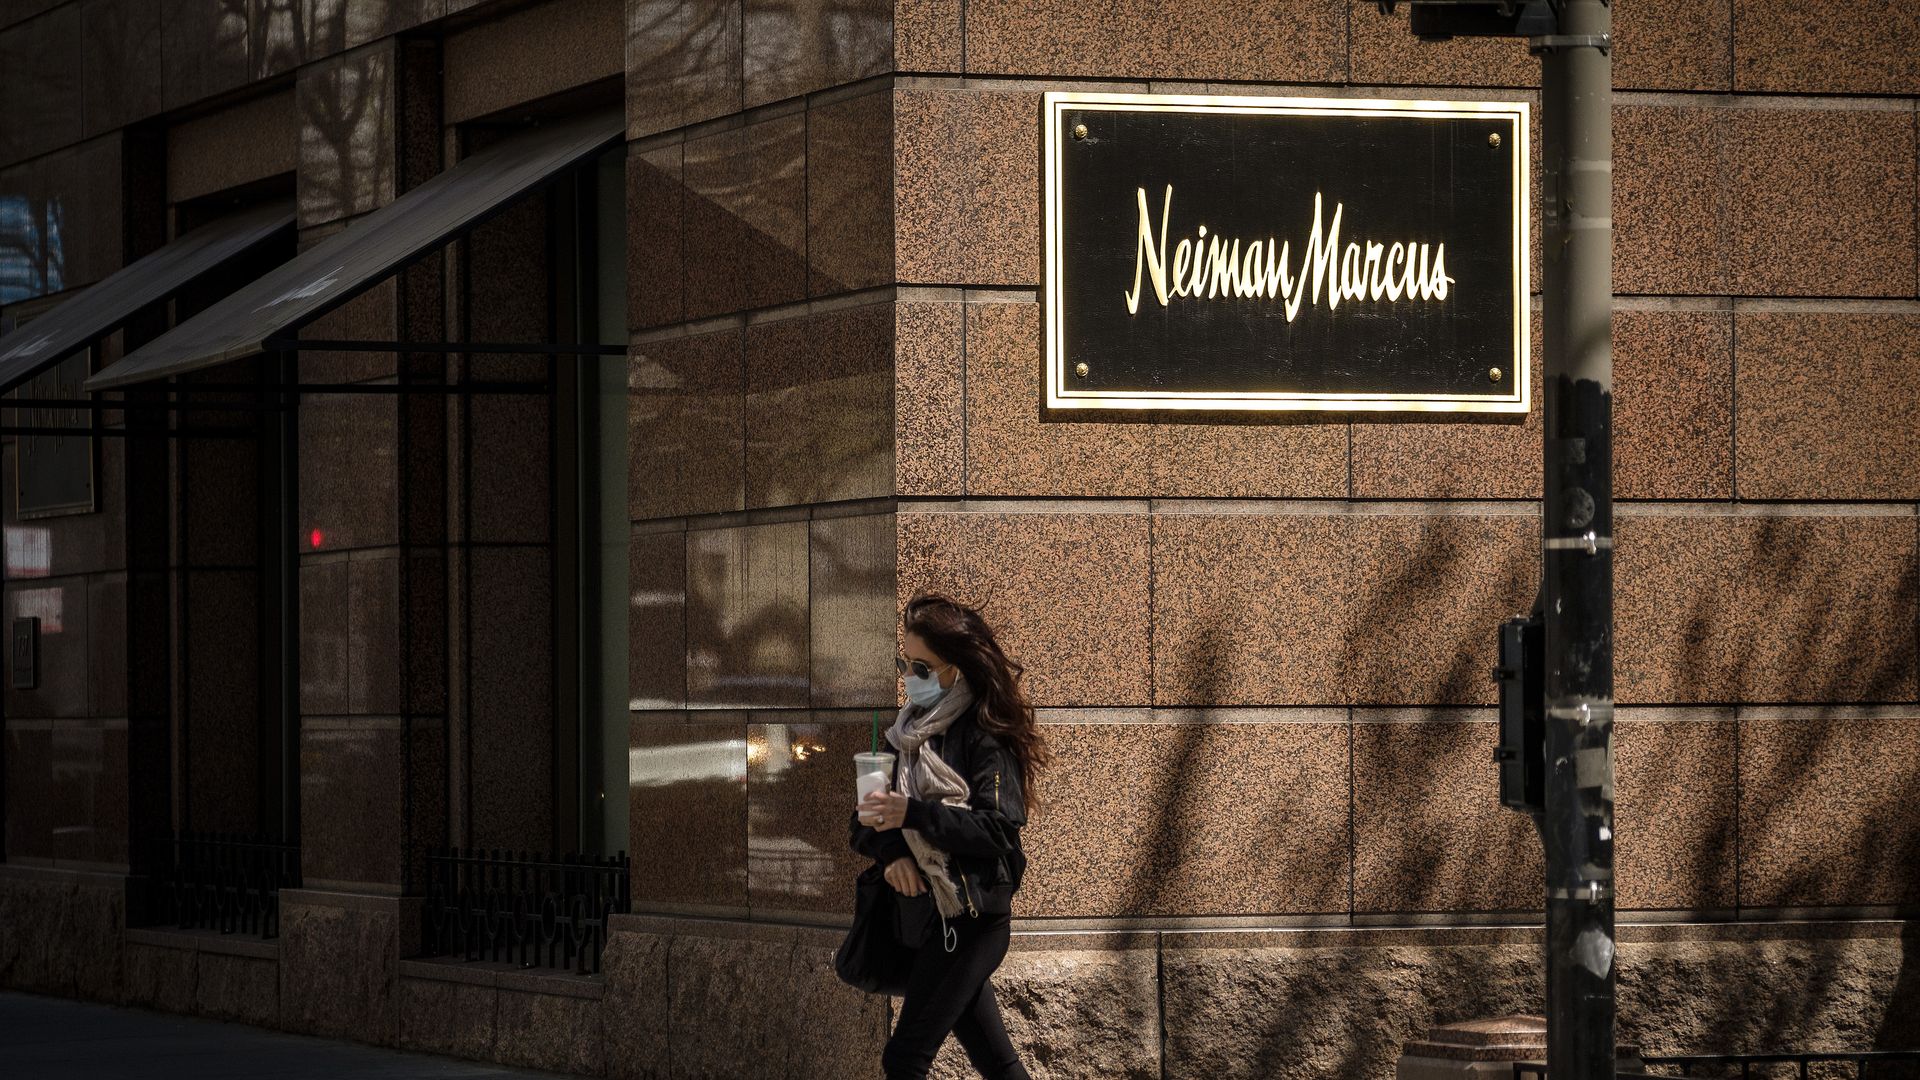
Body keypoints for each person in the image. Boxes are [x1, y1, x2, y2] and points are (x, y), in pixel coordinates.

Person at [849, 593, 1051, 1080]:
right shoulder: (905, 735)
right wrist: (893, 850)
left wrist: (912, 814)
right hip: (927, 918)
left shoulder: (985, 734)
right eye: (906, 663)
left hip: (971, 918)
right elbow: (862, 821)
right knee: (997, 1063)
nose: (910, 678)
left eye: (923, 667)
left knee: (905, 1058)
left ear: (955, 669)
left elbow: (997, 828)